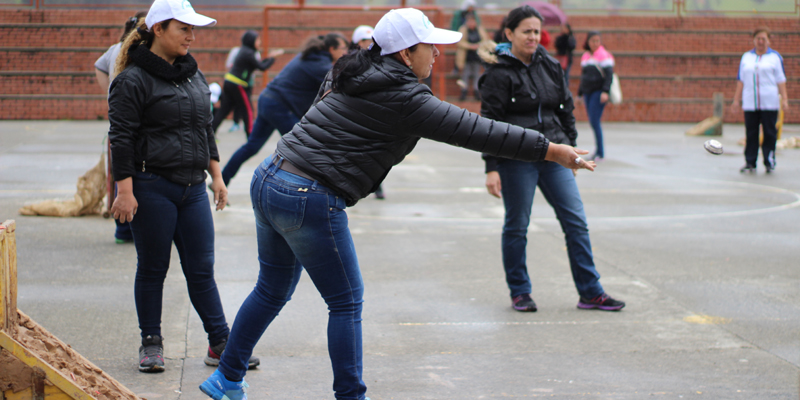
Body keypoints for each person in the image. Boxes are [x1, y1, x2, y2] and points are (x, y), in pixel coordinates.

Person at [199, 8, 597, 400]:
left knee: (271, 290)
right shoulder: (407, 98)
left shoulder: (351, 67)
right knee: (345, 301)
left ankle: (227, 377)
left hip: (271, 176)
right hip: (308, 195)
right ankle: (350, 396)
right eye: (429, 47)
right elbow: (479, 130)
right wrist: (551, 149)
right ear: (406, 54)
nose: (437, 54)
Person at [107, 0, 258, 373]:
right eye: (183, 29)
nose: (191, 36)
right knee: (154, 267)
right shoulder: (132, 79)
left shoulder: (193, 74)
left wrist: (217, 175)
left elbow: (203, 127)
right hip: (151, 186)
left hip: (193, 190)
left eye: (193, 30)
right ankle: (151, 343)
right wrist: (124, 190)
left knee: (201, 269)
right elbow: (121, 137)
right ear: (158, 29)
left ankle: (220, 342)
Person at [479, 6, 624, 314]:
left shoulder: (550, 65)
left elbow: (565, 110)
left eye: (536, 31)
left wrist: (570, 150)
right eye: (525, 31)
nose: (532, 37)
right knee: (517, 225)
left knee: (576, 222)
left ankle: (590, 292)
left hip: (555, 155)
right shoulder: (497, 73)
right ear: (509, 34)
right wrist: (491, 168)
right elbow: (489, 124)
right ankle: (520, 292)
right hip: (516, 159)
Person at [219, 33, 348, 186]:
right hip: (279, 106)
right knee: (302, 149)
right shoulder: (320, 65)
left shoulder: (310, 56)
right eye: (343, 48)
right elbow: (340, 88)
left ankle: (222, 179)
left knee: (252, 146)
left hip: (268, 100)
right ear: (331, 49)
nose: (345, 52)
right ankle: (304, 188)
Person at [95, 11, 146, 245]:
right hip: (136, 122)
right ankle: (130, 229)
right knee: (134, 174)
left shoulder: (114, 48)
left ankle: (122, 230)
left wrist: (108, 94)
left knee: (120, 173)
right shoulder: (144, 50)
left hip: (116, 120)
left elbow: (99, 66)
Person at [731, 27, 789, 174]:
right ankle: (750, 161)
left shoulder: (775, 58)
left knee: (770, 132)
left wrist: (785, 100)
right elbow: (740, 80)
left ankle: (769, 160)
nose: (761, 42)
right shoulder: (746, 57)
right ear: (754, 40)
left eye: (764, 39)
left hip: (769, 102)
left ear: (768, 40)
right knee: (751, 132)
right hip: (751, 102)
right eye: (758, 39)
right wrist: (736, 100)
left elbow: (781, 80)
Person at [211, 31, 283, 137]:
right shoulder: (248, 53)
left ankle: (210, 132)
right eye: (257, 40)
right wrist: (272, 58)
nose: (259, 42)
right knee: (247, 109)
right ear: (251, 41)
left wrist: (270, 58)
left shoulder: (246, 51)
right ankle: (250, 135)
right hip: (237, 84)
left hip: (229, 81)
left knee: (225, 109)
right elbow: (262, 67)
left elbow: (258, 64)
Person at [351, 25, 386, 199]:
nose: (369, 44)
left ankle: (377, 186)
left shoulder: (380, 61)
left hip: (373, 113)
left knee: (376, 152)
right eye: (365, 41)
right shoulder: (350, 63)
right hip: (356, 114)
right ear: (358, 42)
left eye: (371, 40)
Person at [578, 31, 614, 161]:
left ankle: (600, 152)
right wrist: (580, 94)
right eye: (593, 41)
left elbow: (609, 75)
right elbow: (583, 77)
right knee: (592, 121)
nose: (595, 43)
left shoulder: (604, 55)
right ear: (588, 42)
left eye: (597, 41)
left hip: (598, 92)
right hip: (588, 92)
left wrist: (605, 91)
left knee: (595, 121)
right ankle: (598, 150)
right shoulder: (586, 56)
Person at [456, 13, 488, 101]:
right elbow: (460, 42)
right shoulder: (463, 30)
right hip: (466, 57)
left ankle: (476, 91)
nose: (471, 23)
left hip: (477, 57)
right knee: (465, 74)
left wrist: (478, 45)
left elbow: (485, 40)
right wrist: (470, 46)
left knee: (476, 75)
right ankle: (464, 91)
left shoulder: (480, 29)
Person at [554, 23, 576, 88]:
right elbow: (557, 45)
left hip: (567, 59)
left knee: (566, 75)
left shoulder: (570, 37)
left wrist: (566, 38)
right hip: (560, 57)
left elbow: (572, 46)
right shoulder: (560, 37)